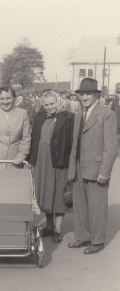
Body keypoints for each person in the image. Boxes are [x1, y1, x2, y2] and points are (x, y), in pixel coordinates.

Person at [68, 78, 118, 254]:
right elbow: (75, 144)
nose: (84, 97)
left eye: (88, 93)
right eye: (82, 94)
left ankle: (97, 241)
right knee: (80, 205)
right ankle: (83, 237)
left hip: (97, 169)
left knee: (97, 206)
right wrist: (71, 168)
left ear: (97, 95)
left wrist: (105, 171)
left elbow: (111, 147)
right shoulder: (78, 116)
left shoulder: (106, 115)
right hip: (79, 166)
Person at [28, 91, 74, 243]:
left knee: (58, 195)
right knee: (46, 193)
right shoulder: (39, 117)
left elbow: (72, 141)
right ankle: (49, 227)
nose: (49, 107)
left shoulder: (68, 117)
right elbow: (34, 138)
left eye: (52, 104)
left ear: (58, 101)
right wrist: (31, 159)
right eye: (46, 105)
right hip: (41, 160)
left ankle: (58, 230)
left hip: (59, 159)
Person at [0, 86, 31, 168]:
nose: (5, 102)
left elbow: (26, 138)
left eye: (8, 98)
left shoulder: (23, 114)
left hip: (15, 161)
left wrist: (21, 156)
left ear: (14, 98)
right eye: (2, 99)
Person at [110, 90, 120, 155]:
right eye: (118, 93)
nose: (118, 95)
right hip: (116, 122)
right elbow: (111, 111)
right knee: (115, 138)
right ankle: (115, 152)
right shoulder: (115, 101)